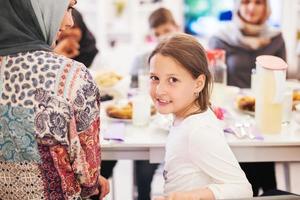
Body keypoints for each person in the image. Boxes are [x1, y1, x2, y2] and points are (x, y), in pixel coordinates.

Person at [0, 0, 109, 199]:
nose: (69, 22)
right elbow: (88, 178)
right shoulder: (73, 75)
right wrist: (92, 183)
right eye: (67, 8)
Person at [149, 33, 253, 200]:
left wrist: (190, 197)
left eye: (173, 80)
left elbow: (242, 189)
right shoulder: (183, 117)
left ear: (198, 84)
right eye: (154, 78)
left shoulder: (199, 130)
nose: (159, 90)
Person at [208, 0, 286, 196]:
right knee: (245, 168)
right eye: (246, 2)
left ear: (266, 7)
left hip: (267, 112)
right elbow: (212, 80)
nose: (251, 8)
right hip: (231, 116)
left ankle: (266, 193)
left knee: (265, 151)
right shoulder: (221, 38)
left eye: (258, 2)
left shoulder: (276, 38)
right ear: (238, 6)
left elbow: (282, 81)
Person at [130, 7, 180, 200]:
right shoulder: (141, 60)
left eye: (166, 31)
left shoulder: (190, 58)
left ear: (177, 27)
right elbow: (132, 93)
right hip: (151, 124)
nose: (162, 38)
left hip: (180, 124)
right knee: (143, 165)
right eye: (157, 34)